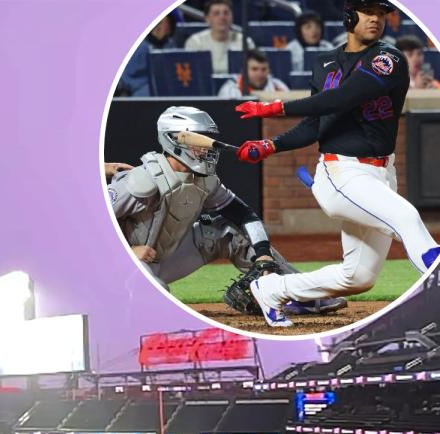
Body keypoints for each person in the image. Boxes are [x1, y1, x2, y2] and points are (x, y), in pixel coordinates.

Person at [234, 0, 440, 327]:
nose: (376, 18)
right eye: (368, 11)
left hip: (380, 173)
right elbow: (316, 123)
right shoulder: (325, 63)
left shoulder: (388, 59)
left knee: (358, 276)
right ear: (349, 16)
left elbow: (343, 98)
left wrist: (277, 108)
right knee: (407, 218)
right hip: (341, 172)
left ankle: (271, 289)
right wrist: (271, 145)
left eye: (381, 13)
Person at [109, 105, 344, 314]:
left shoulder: (205, 180)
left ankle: (298, 294)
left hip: (164, 257)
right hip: (125, 267)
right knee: (153, 303)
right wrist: (126, 252)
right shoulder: (143, 180)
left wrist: (263, 254)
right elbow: (92, 222)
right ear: (174, 140)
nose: (207, 147)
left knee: (229, 233)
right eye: (199, 140)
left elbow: (244, 216)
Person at [185, 0, 257, 73]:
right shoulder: (195, 43)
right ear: (207, 19)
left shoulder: (245, 42)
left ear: (232, 16)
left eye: (226, 13)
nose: (222, 17)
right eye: (216, 13)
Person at [118, 13, 180, 97]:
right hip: (139, 94)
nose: (159, 27)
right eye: (157, 23)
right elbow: (126, 81)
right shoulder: (138, 47)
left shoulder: (171, 46)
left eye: (163, 23)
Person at [218, 49, 291, 98]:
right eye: (254, 69)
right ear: (244, 71)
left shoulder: (279, 87)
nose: (259, 74)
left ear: (269, 70)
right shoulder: (230, 90)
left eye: (264, 69)